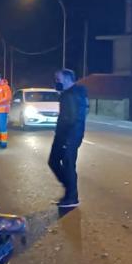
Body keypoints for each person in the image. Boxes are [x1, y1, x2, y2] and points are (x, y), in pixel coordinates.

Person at [49, 68, 89, 207]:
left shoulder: (70, 95)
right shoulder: (73, 93)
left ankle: (71, 196)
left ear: (66, 79)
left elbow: (70, 118)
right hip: (67, 135)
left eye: (58, 79)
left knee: (67, 164)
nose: (56, 82)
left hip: (68, 136)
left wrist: (66, 139)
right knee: (55, 161)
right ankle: (70, 191)